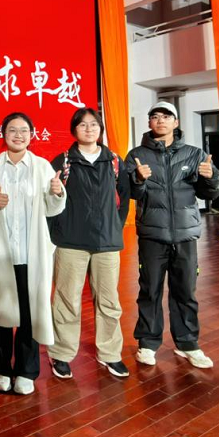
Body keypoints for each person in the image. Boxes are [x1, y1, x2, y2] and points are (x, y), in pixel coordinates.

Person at [125, 101, 219, 369]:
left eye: (166, 116)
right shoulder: (136, 155)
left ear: (176, 122)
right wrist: (137, 179)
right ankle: (147, 343)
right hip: (152, 234)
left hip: (185, 235)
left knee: (186, 291)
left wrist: (211, 177)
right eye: (155, 116)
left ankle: (188, 343)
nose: (161, 120)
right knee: (149, 291)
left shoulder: (194, 154)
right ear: (149, 123)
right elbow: (130, 194)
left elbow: (210, 192)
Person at [0, 112, 66, 395]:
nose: (18, 135)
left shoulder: (42, 167)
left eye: (24, 130)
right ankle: (1, 369)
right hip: (0, 252)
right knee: (1, 311)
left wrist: (57, 192)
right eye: (12, 130)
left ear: (32, 135)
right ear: (3, 134)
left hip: (31, 251)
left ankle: (27, 370)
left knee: (29, 313)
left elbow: (53, 209)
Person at [46, 107, 131, 380]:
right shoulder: (62, 161)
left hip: (107, 242)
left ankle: (110, 353)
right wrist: (58, 231)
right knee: (66, 299)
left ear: (100, 129)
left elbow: (124, 198)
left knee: (109, 301)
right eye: (82, 125)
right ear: (74, 130)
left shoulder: (115, 161)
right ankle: (61, 353)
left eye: (94, 124)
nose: (89, 129)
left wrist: (114, 226)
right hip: (71, 241)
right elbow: (50, 201)